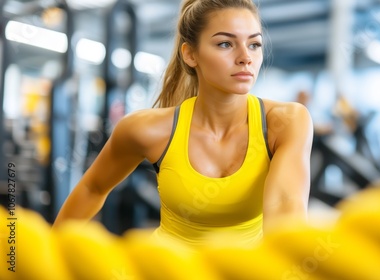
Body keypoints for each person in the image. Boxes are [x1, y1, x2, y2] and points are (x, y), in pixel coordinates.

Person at [53, 0, 314, 248]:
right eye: (225, 44)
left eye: (254, 44)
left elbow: (285, 207)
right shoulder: (147, 130)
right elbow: (92, 187)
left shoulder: (287, 122)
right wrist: (49, 257)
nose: (246, 57)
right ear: (190, 54)